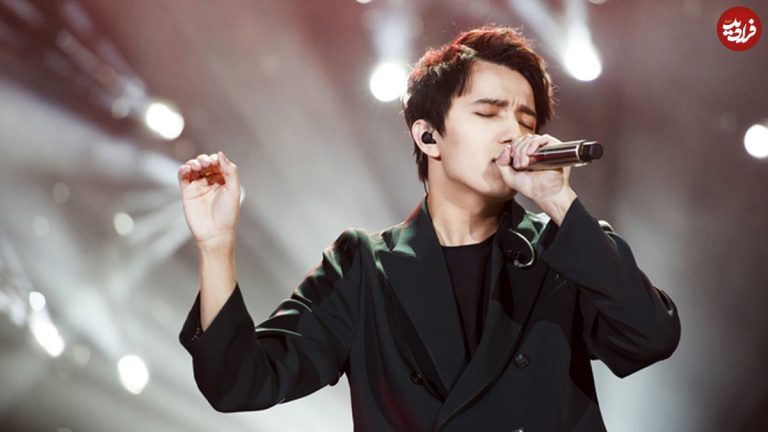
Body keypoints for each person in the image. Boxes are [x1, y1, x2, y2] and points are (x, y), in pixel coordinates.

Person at [177, 25, 680, 431]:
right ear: (428, 136)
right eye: (488, 113)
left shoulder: (565, 249)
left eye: (527, 122)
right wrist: (216, 245)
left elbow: (649, 337)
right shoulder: (364, 268)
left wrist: (556, 199)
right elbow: (240, 382)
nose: (513, 133)